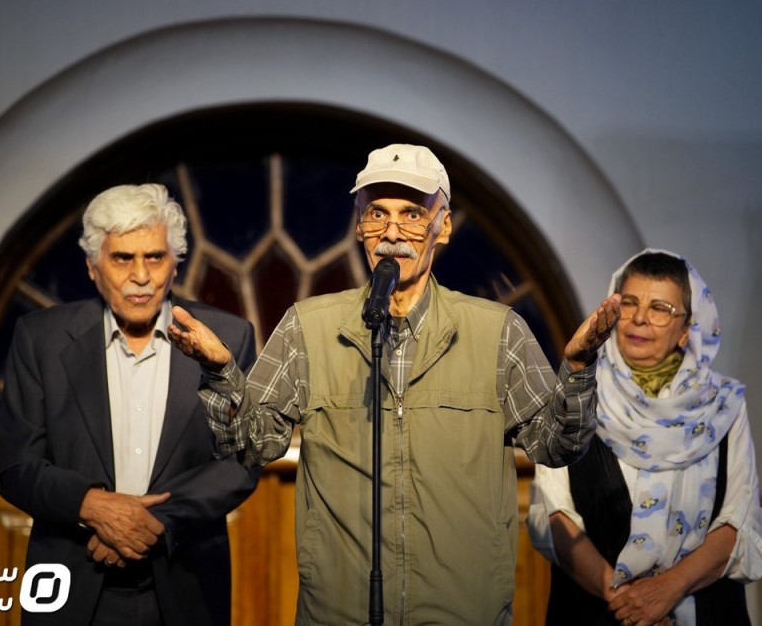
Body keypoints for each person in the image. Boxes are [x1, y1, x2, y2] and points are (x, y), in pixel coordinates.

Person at [168, 143, 622, 624]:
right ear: (358, 225)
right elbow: (254, 444)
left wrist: (577, 369)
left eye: (412, 214)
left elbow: (556, 445)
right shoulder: (309, 327)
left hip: (463, 614)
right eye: (377, 214)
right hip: (340, 613)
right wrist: (221, 373)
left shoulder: (497, 332)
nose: (391, 233)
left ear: (443, 226)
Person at [0, 183, 259, 626]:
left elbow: (241, 461)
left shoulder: (226, 338)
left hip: (186, 583)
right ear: (92, 267)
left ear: (175, 264)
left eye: (154, 257)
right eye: (122, 258)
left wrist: (149, 521)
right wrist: (93, 506)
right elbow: (16, 466)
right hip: (72, 579)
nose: (141, 275)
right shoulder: (40, 339)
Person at [527, 250, 762, 626]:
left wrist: (667, 590)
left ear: (687, 329)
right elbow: (554, 515)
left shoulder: (722, 404)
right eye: (629, 303)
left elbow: (737, 520)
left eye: (660, 308)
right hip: (597, 613)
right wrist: (627, 601)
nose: (640, 318)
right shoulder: (574, 394)